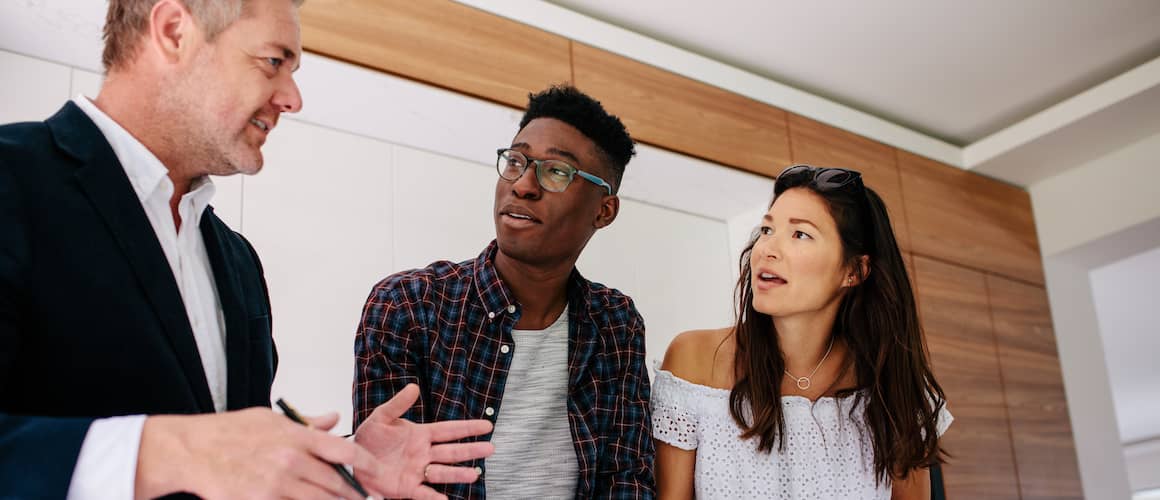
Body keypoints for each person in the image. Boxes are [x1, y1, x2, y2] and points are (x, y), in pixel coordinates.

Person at [0, 1, 491, 498]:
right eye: (274, 62)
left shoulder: (237, 262)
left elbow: (230, 461)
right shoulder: (11, 179)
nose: (293, 98)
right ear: (174, 33)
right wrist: (170, 452)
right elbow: (204, 453)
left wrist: (341, 463)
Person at [354, 84, 656, 498]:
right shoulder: (408, 304)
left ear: (604, 210)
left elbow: (627, 478)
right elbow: (391, 481)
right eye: (516, 161)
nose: (523, 184)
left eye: (556, 171)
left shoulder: (616, 322)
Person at [652, 165, 952, 499]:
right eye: (767, 230)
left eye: (800, 234)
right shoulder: (694, 361)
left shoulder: (890, 389)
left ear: (854, 271)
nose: (767, 249)